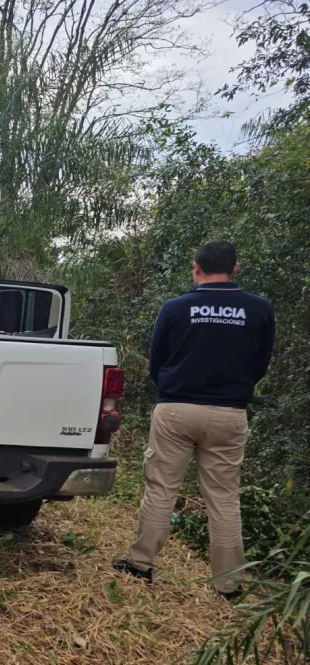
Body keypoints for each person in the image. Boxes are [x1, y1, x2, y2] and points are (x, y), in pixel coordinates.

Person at [114, 240, 275, 599]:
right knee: (224, 497)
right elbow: (261, 363)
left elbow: (158, 361)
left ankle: (141, 564)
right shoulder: (260, 309)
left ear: (196, 268)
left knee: (161, 488)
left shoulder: (175, 308)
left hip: (176, 409)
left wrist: (174, 388)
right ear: (235, 269)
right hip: (229, 413)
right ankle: (228, 585)